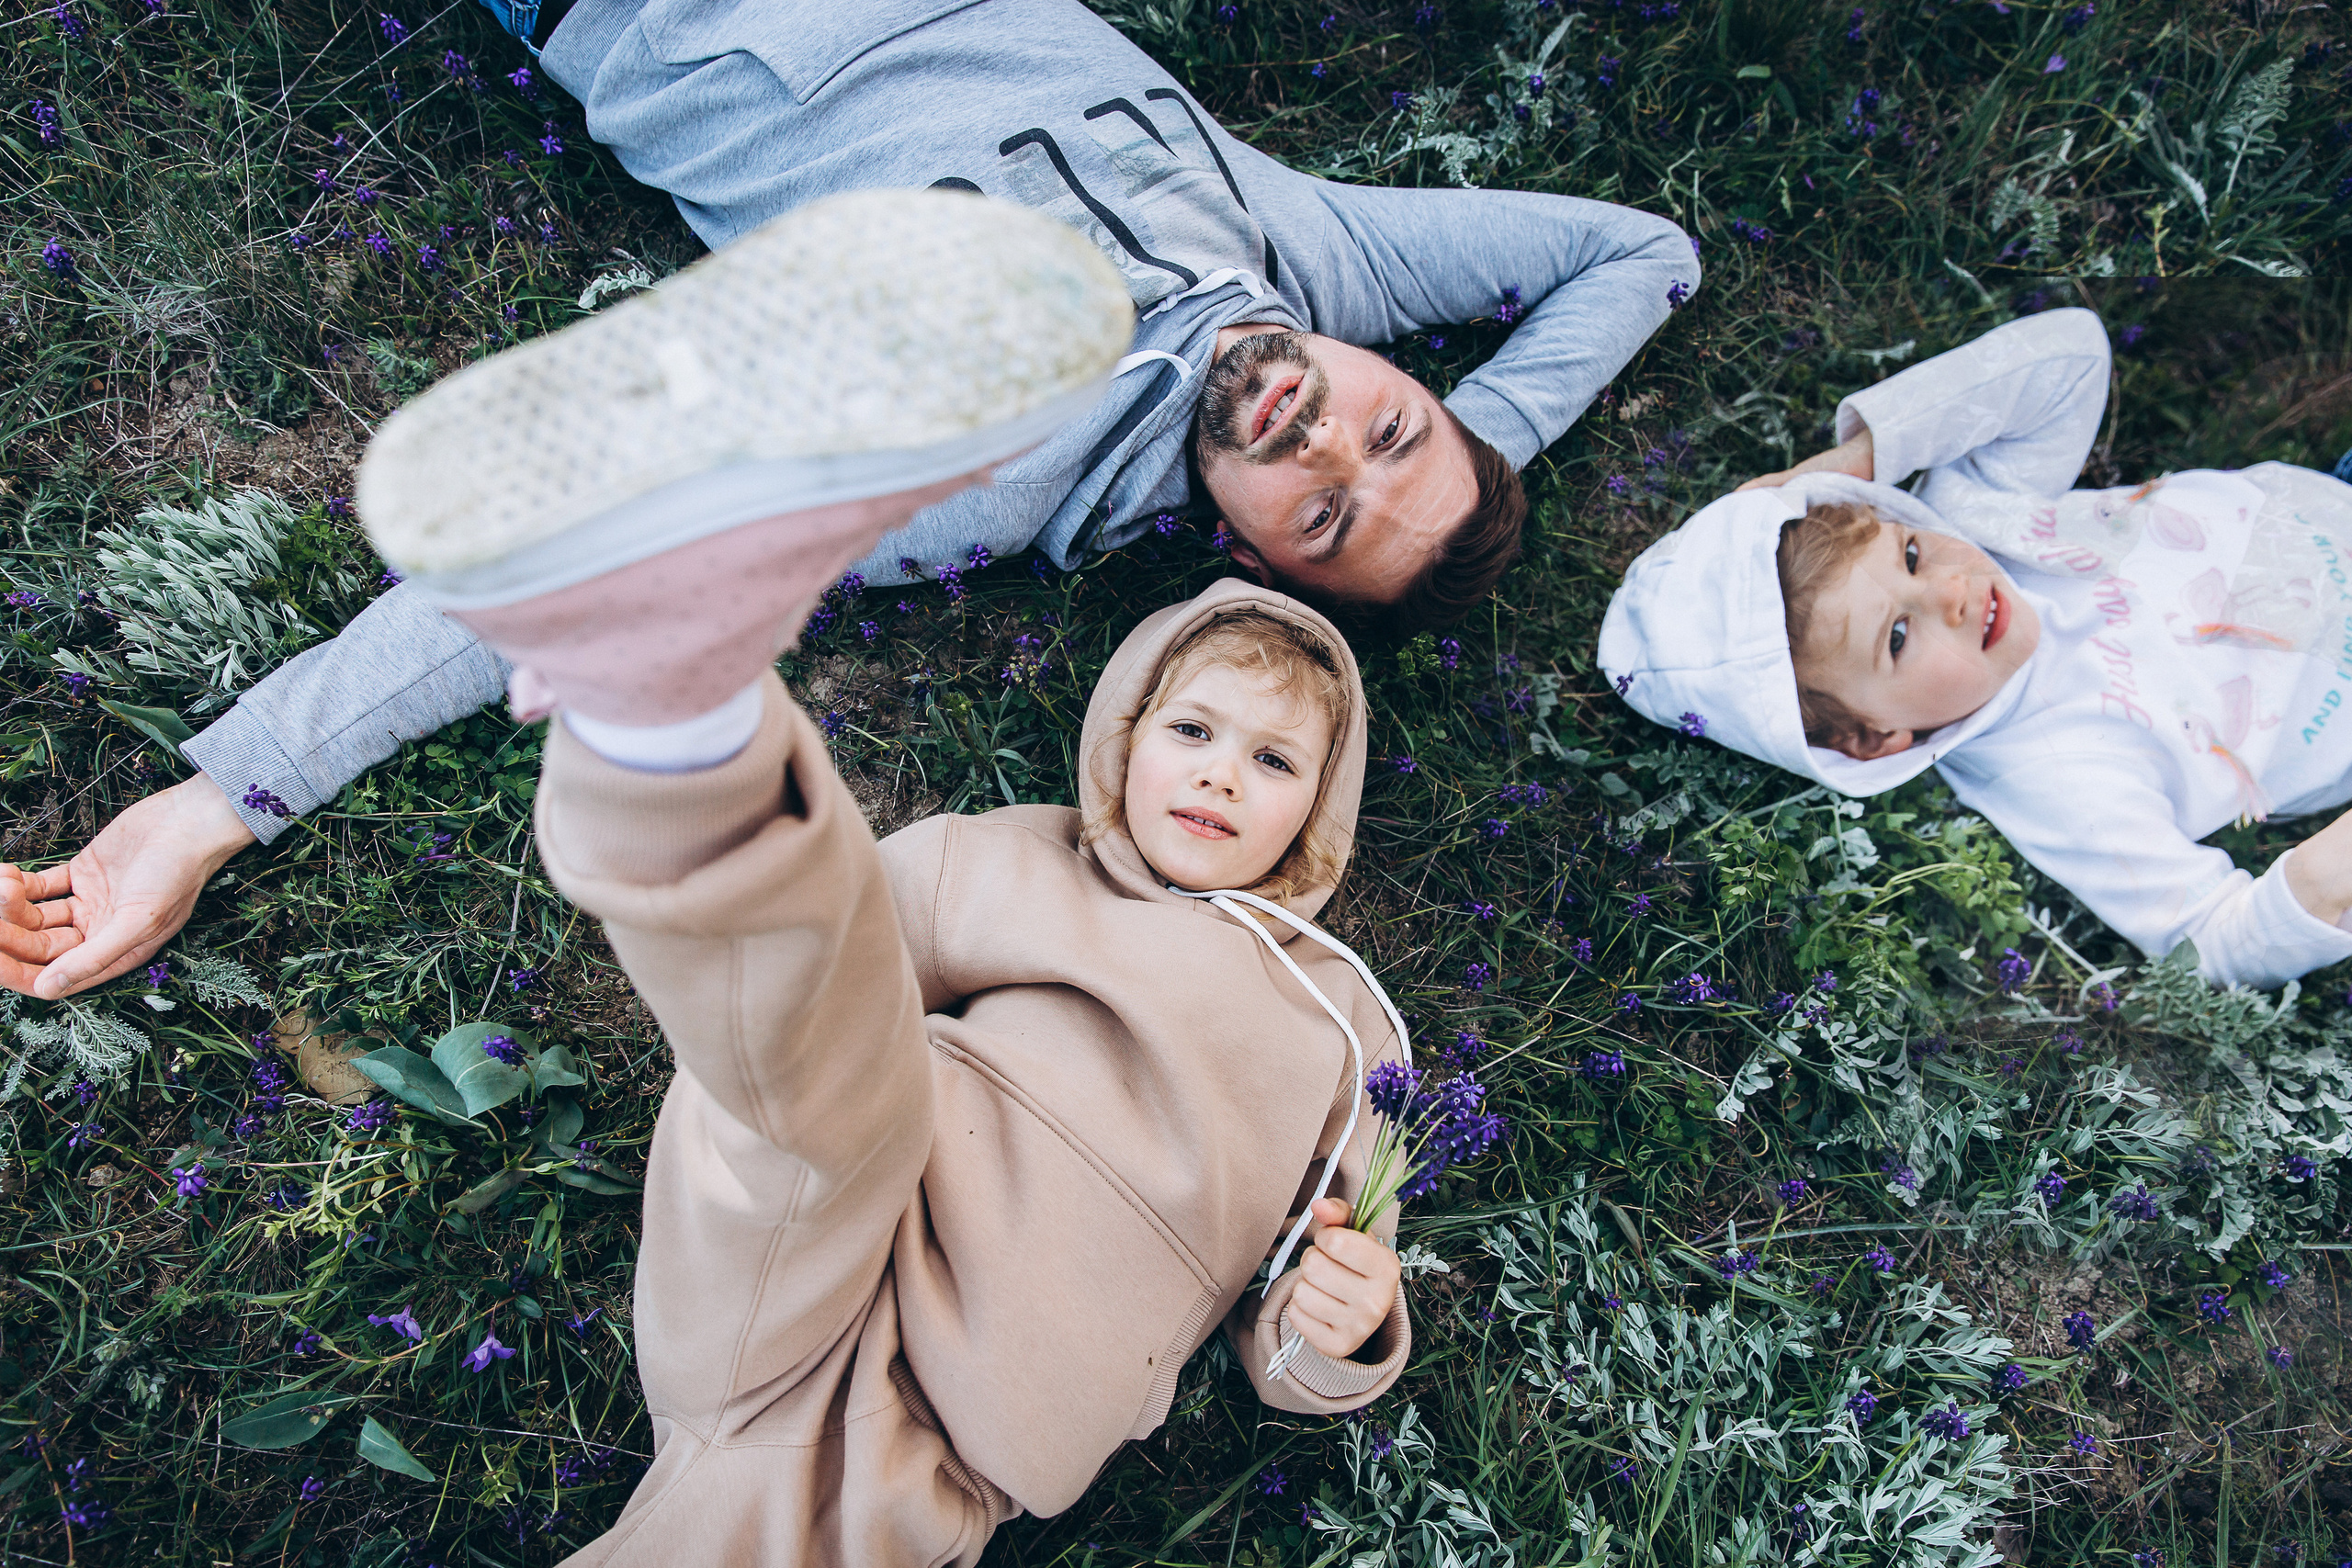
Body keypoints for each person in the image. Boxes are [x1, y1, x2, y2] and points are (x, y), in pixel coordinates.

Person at [0, 0, 1697, 1000]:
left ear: (1241, 559)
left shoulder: (983, 461)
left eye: (1320, 516)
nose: (1323, 440)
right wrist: (1467, 460)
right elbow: (1643, 250)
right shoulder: (1308, 260)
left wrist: (220, 801)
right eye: (1387, 432)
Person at [359, 190, 1437, 1562]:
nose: (1223, 775)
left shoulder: (1346, 1028)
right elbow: (824, 960)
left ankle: (657, 716)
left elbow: (1291, 1328)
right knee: (819, 1059)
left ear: (1321, 810)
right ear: (1124, 738)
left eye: (1275, 759)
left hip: (968, 1433)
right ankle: (682, 731)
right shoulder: (1023, 857)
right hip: (838, 1209)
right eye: (1191, 731)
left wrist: (1343, 1329)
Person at [1599, 307, 2352, 991]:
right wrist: (2323, 878)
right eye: (1897, 637)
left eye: (1914, 555)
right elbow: (2210, 943)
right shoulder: (2057, 776)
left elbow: (2071, 356)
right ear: (1875, 740)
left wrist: (1831, 472)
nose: (1951, 593)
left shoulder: (1984, 516)